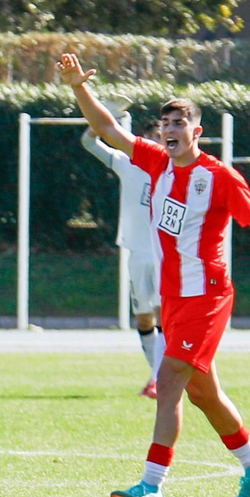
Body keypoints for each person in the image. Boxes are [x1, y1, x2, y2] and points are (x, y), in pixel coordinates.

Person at [56, 53, 250, 497]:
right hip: (174, 295)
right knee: (204, 393)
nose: (169, 130)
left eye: (178, 123)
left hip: (207, 296)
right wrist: (77, 87)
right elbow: (109, 129)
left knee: (168, 381)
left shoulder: (219, 177)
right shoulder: (156, 163)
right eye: (165, 123)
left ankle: (151, 484)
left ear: (196, 132)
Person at [80, 120, 164, 397]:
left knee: (166, 316)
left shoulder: (176, 168)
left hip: (168, 254)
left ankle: (159, 380)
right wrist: (107, 116)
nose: (159, 141)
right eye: (154, 136)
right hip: (138, 252)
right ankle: (157, 376)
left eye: (163, 137)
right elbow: (88, 143)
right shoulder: (126, 163)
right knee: (143, 319)